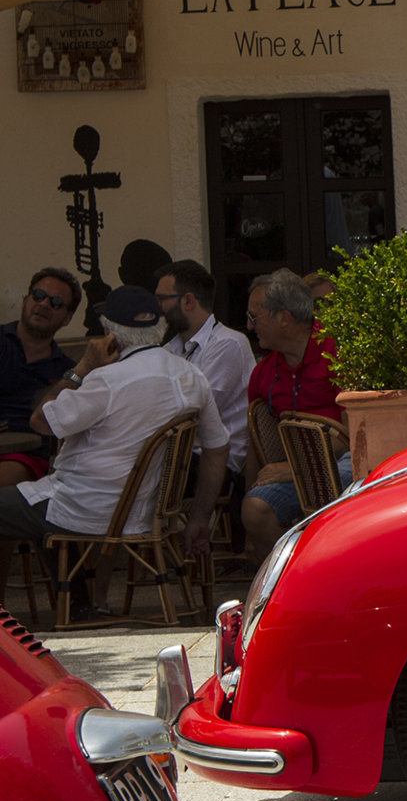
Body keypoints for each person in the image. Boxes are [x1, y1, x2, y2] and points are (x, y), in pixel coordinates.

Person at [0, 285, 226, 617]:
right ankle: (79, 605)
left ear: (109, 332)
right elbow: (217, 450)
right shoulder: (192, 376)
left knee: (35, 504)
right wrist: (199, 518)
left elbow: (40, 421)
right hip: (145, 511)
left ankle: (70, 605)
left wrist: (82, 367)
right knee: (35, 503)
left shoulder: (107, 380)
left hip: (85, 507)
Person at [243, 268, 348, 559]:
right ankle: (299, 570)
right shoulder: (263, 372)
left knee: (332, 483)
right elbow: (254, 443)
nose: (250, 325)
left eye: (254, 316)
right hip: (297, 469)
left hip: (343, 462)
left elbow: (355, 435)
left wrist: (295, 469)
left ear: (284, 319)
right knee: (254, 510)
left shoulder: (338, 353)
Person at [157, 259, 251, 521]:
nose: (158, 309)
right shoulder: (170, 348)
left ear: (188, 301)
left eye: (162, 299)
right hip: (179, 457)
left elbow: (192, 411)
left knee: (126, 472)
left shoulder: (229, 343)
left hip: (215, 464)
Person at [0, 268, 82, 489]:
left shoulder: (67, 370)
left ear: (67, 318)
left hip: (26, 456)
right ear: (25, 301)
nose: (44, 304)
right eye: (38, 296)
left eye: (56, 302)